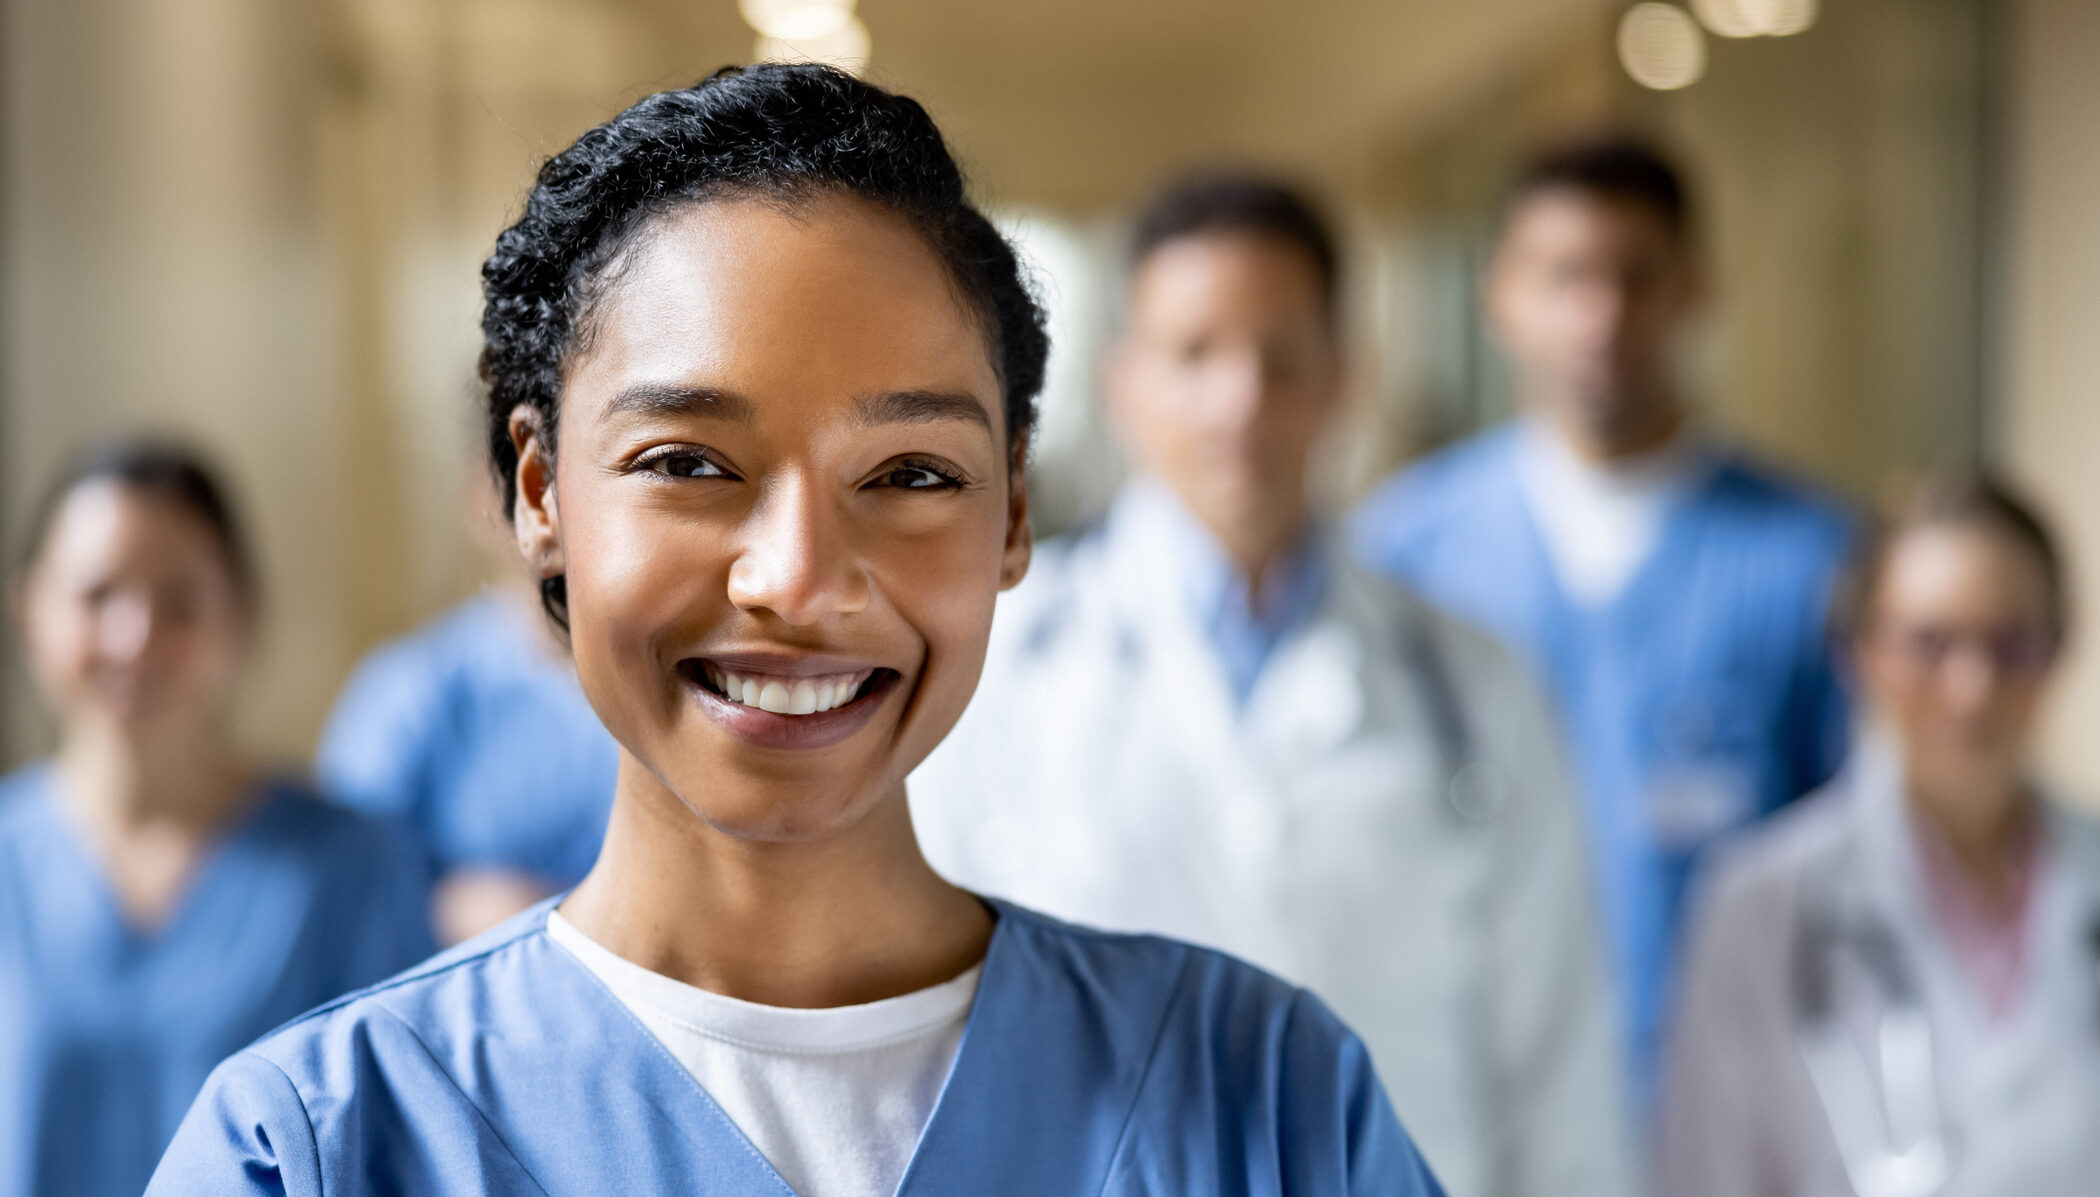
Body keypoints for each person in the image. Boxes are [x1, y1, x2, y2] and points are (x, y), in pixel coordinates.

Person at [148, 65, 1445, 1196]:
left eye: (912, 474)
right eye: (689, 463)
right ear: (538, 495)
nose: (801, 580)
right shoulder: (319, 1147)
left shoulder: (1271, 1105)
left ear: (1012, 516)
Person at [910, 173, 1629, 1197]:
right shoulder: (1002, 662)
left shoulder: (1473, 686)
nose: (1240, 400)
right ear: (1121, 383)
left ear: (1345, 378)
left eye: (1281, 357)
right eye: (1194, 353)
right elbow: (925, 1031)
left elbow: (1561, 1077)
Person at [1349, 136, 1853, 1082]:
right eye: (1565, 278)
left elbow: (1859, 862)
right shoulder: (1404, 553)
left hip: (1736, 1094)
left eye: (1636, 277)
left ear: (1694, 290)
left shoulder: (1810, 558)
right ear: (1499, 295)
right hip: (1470, 1093)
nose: (1602, 316)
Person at [0, 443, 435, 1197]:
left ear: (241, 617)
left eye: (180, 602)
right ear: (29, 609)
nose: (134, 637)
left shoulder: (353, 868)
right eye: (97, 596)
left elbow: (397, 1150)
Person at [1657, 477, 2100, 1196]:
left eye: (2012, 644)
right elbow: (1705, 1177)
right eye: (1929, 644)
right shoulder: (1760, 908)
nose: (1972, 687)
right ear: (1859, 653)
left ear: (2058, 650)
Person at [316, 493, 619, 943]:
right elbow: (347, 894)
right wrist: (462, 912)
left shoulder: (686, 683)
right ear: (485, 497)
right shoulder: (413, 691)